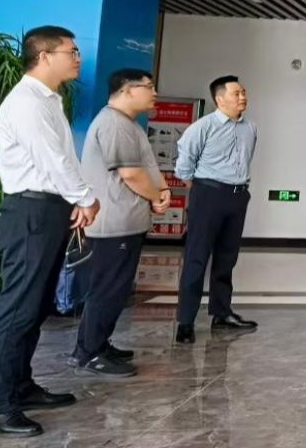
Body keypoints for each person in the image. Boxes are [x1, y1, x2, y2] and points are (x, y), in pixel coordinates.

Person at [0, 26, 101, 439]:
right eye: (71, 51)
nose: (78, 58)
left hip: (48, 209)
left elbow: (64, 158)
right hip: (29, 211)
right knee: (16, 308)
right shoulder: (27, 102)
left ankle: (20, 385)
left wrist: (75, 199)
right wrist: (85, 198)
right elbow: (52, 161)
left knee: (35, 306)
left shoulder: (49, 100)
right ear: (44, 56)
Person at [71, 69, 172, 378]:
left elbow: (146, 166)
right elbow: (131, 174)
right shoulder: (114, 124)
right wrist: (156, 196)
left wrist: (162, 190)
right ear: (127, 91)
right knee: (107, 289)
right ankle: (90, 353)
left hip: (126, 221)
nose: (154, 93)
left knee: (114, 289)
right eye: (148, 87)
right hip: (113, 224)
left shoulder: (129, 124)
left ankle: (97, 344)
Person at [174, 75, 259, 343]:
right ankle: (185, 321)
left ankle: (221, 313)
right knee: (197, 257)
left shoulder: (250, 128)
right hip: (208, 194)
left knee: (227, 257)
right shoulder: (202, 127)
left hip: (238, 195)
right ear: (220, 99)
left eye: (243, 92)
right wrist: (204, 190)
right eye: (236, 93)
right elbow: (184, 167)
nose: (242, 97)